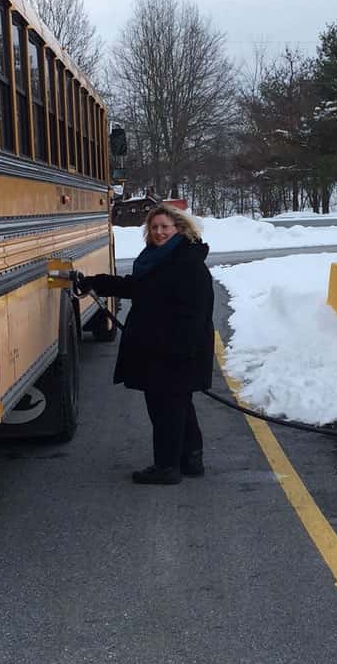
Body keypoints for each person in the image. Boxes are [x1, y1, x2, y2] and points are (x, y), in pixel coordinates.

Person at [78, 205, 214, 485]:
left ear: (180, 228)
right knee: (179, 403)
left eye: (165, 227)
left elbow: (196, 312)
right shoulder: (159, 258)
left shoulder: (187, 262)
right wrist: (96, 283)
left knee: (165, 407)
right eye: (154, 228)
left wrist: (178, 349)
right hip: (162, 347)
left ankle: (166, 467)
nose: (159, 232)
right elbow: (138, 288)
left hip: (174, 349)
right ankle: (191, 459)